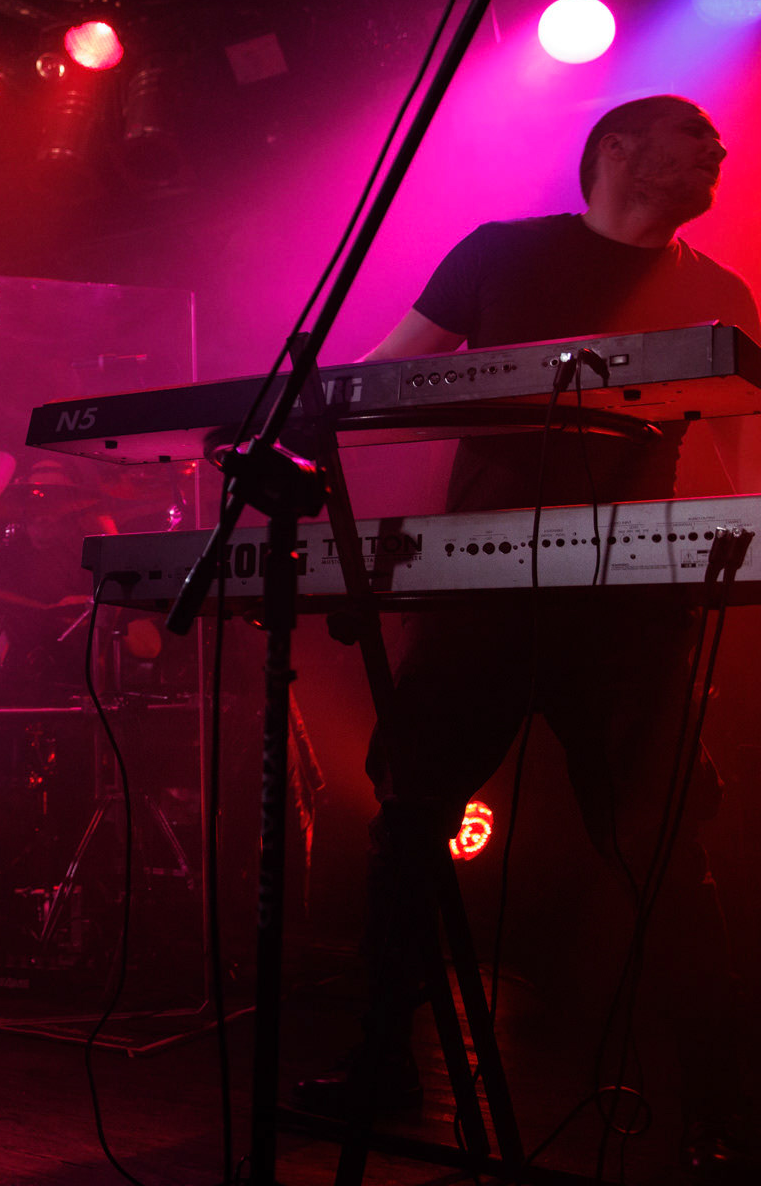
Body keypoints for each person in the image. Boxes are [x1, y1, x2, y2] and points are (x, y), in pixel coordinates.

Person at [293, 96, 758, 1176]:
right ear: (618, 149)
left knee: (663, 850)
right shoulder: (501, 254)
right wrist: (296, 422)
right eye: (696, 137)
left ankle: (724, 1101)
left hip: (631, 611)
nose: (720, 152)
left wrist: (720, 579)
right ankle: (380, 1063)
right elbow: (385, 373)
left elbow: (735, 465)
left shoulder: (718, 291)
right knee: (409, 821)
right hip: (483, 596)